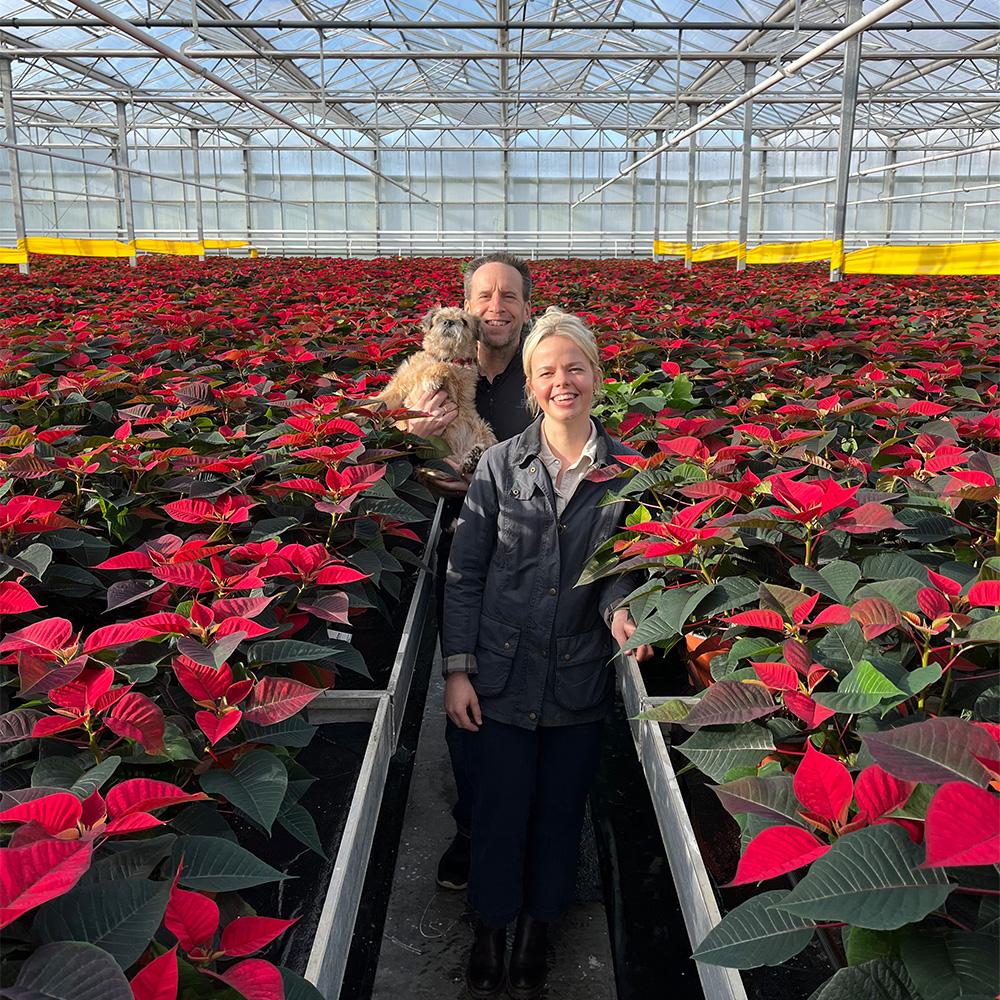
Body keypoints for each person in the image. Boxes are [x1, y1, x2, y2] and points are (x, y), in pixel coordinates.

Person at [441, 308, 654, 999]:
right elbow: (465, 573)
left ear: (597, 375)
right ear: (531, 388)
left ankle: (536, 929)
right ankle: (492, 927)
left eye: (575, 368)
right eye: (547, 372)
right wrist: (457, 671)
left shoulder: (627, 473)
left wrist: (624, 613)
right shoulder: (501, 465)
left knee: (561, 813)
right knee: (502, 809)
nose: (563, 382)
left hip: (576, 677)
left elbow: (622, 566)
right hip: (499, 676)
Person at [401, 252, 535, 891]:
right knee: (467, 699)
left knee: (528, 702)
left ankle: (529, 827)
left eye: (509, 295)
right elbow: (389, 436)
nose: (496, 307)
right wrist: (414, 437)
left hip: (534, 558)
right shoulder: (435, 373)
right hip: (461, 563)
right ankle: (474, 829)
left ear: (526, 305)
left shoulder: (540, 370)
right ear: (463, 306)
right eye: (484, 296)